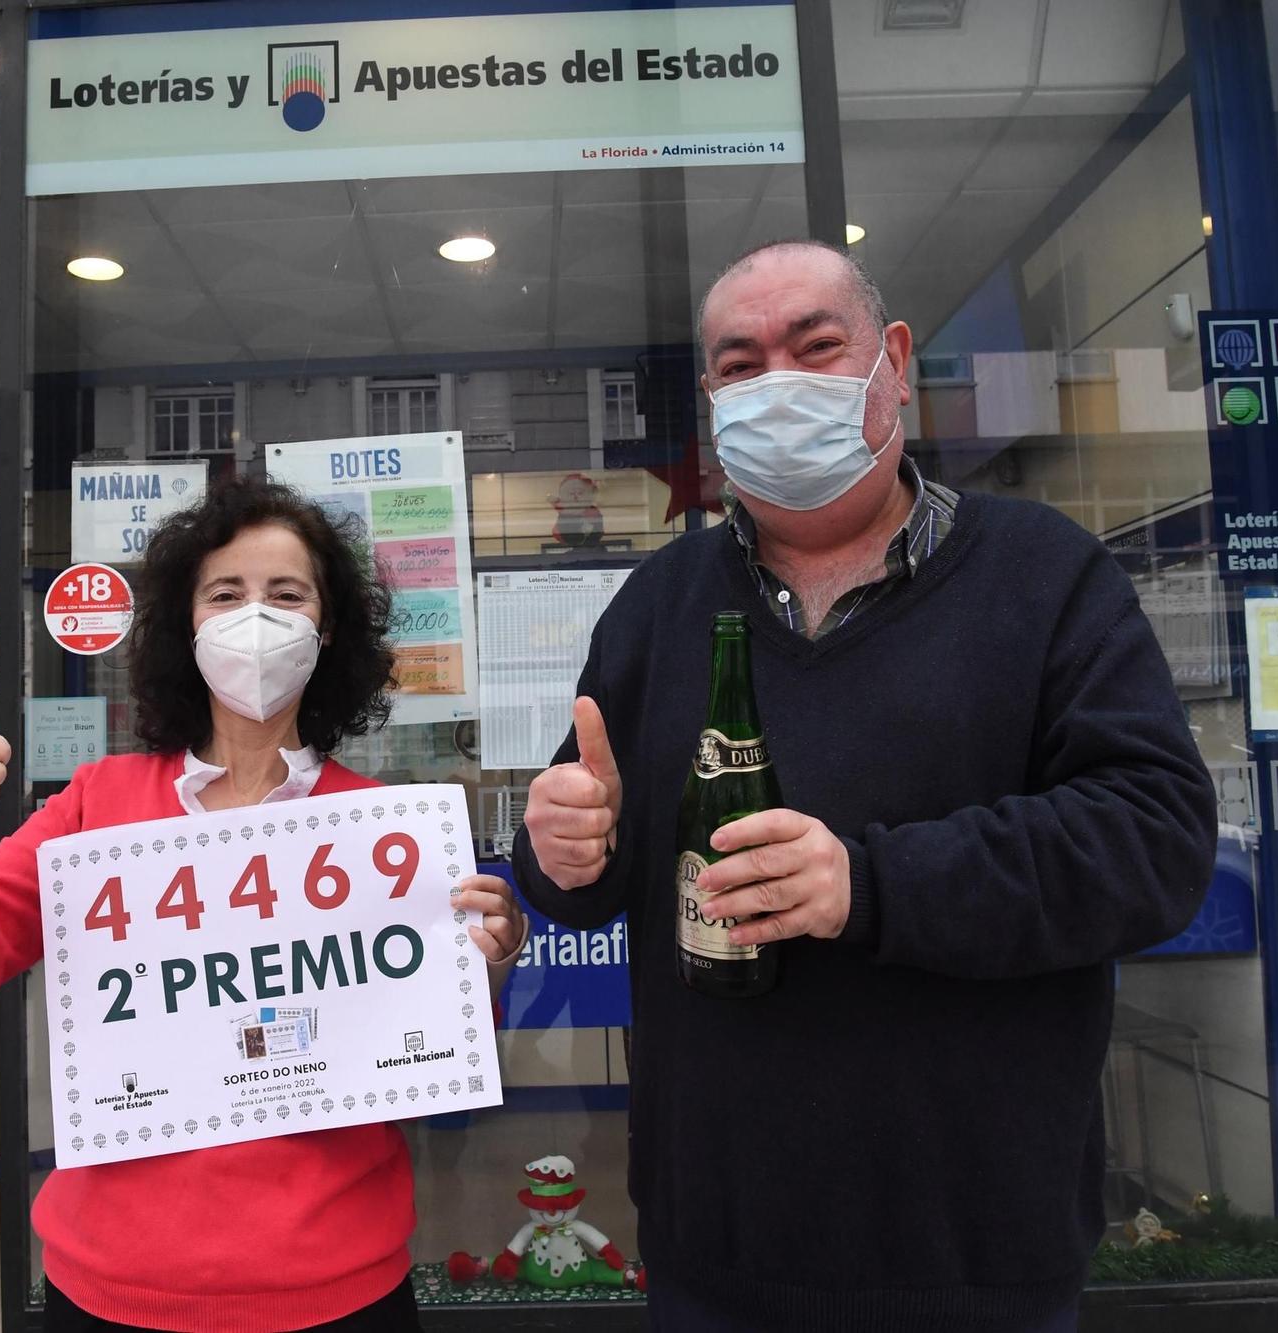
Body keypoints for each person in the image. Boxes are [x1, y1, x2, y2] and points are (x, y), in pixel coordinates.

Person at [514, 239, 1218, 1332]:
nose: (776, 383)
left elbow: (1153, 842)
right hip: (716, 1250)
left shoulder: (1044, 577)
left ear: (889, 360)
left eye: (814, 346)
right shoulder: (657, 608)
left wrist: (871, 885)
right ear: (710, 399)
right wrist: (560, 851)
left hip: (971, 1251)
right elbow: (588, 856)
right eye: (740, 365)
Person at [0, 477, 526, 1333]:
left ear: (327, 632)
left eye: (287, 595)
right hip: (111, 1291)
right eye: (227, 594)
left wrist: (486, 965)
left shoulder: (382, 834)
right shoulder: (96, 806)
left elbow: (429, 1073)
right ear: (189, 625)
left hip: (339, 1292)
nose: (257, 617)